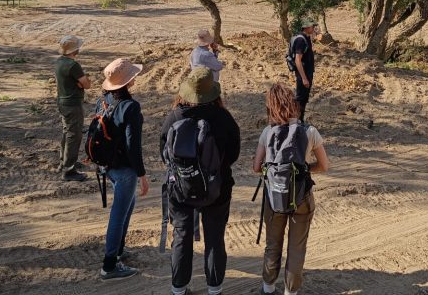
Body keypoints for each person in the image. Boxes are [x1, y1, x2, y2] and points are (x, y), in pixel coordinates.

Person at [160, 67, 241, 295]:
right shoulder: (223, 118)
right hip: (218, 188)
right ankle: (214, 290)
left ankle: (178, 289)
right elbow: (233, 153)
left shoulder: (175, 116)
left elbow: (163, 152)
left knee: (181, 237)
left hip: (181, 188)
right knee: (215, 238)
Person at [253, 83, 329, 294]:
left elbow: (256, 167)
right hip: (302, 197)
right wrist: (303, 171)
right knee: (296, 248)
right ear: (293, 104)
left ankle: (268, 288)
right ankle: (291, 291)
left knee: (272, 245)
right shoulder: (310, 131)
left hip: (274, 196)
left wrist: (276, 175)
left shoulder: (268, 132)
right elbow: (324, 165)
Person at [98, 58, 148, 280]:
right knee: (119, 214)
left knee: (126, 207)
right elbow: (132, 145)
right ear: (129, 81)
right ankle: (109, 265)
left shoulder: (104, 100)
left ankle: (117, 250)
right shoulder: (130, 107)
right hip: (125, 169)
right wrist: (142, 174)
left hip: (108, 165)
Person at [54, 35, 91, 182]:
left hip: (63, 102)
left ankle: (64, 162)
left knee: (67, 133)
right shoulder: (73, 65)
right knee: (74, 136)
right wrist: (82, 83)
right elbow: (87, 84)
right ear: (75, 49)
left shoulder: (59, 62)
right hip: (72, 104)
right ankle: (69, 170)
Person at [290, 20, 317, 122]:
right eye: (312, 27)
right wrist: (304, 78)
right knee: (300, 99)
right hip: (303, 75)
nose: (313, 28)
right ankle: (295, 122)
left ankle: (300, 121)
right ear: (306, 28)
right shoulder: (301, 40)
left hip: (307, 74)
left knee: (304, 99)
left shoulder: (306, 38)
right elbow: (298, 60)